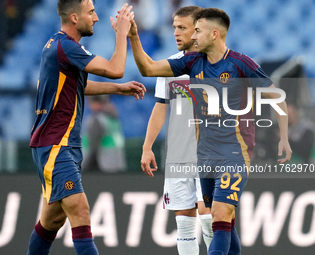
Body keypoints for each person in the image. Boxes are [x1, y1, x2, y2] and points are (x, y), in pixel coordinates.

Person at [129, 7, 292, 255]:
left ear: (214, 34)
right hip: (204, 154)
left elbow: (277, 97)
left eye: (196, 31)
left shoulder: (241, 64)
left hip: (234, 153)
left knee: (217, 215)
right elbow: (148, 69)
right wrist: (133, 37)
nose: (192, 36)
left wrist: (284, 137)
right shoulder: (191, 62)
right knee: (223, 220)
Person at [27, 1, 146, 255]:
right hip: (55, 145)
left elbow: (78, 86)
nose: (96, 18)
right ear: (73, 17)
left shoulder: (60, 46)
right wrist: (122, 33)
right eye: (91, 13)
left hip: (61, 144)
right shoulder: (66, 47)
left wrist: (118, 88)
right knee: (80, 210)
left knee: (51, 222)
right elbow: (116, 69)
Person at [140, 6, 213, 255]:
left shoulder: (216, 64)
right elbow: (160, 107)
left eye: (182, 27)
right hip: (179, 155)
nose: (175, 33)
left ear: (198, 29)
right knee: (184, 222)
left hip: (209, 154)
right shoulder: (171, 67)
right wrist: (147, 146)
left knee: (209, 218)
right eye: (174, 27)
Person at [83, 95, 126, 173]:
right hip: (117, 159)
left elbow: (93, 145)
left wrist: (85, 165)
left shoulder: (97, 119)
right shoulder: (113, 117)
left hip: (104, 163)